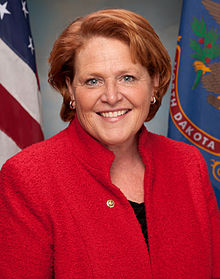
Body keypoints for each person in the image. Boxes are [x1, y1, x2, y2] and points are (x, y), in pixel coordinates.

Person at [0, 9, 219, 279]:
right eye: (93, 81)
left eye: (127, 78)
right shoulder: (28, 176)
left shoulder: (188, 163)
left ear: (154, 82)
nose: (112, 96)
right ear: (70, 89)